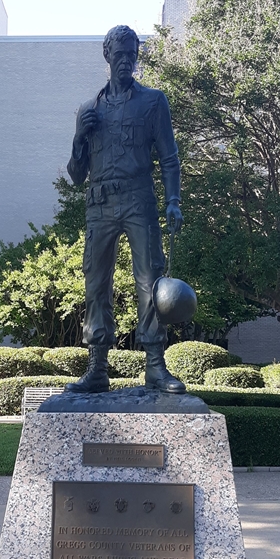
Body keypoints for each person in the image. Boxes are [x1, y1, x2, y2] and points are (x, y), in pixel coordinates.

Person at [65, 24, 185, 394]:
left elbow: (170, 158)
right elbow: (76, 176)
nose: (126, 62)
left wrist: (174, 201)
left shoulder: (153, 102)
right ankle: (97, 367)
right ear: (107, 56)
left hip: (138, 198)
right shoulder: (88, 110)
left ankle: (155, 366)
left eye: (132, 55)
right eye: (119, 55)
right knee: (96, 282)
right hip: (99, 203)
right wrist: (79, 138)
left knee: (150, 279)